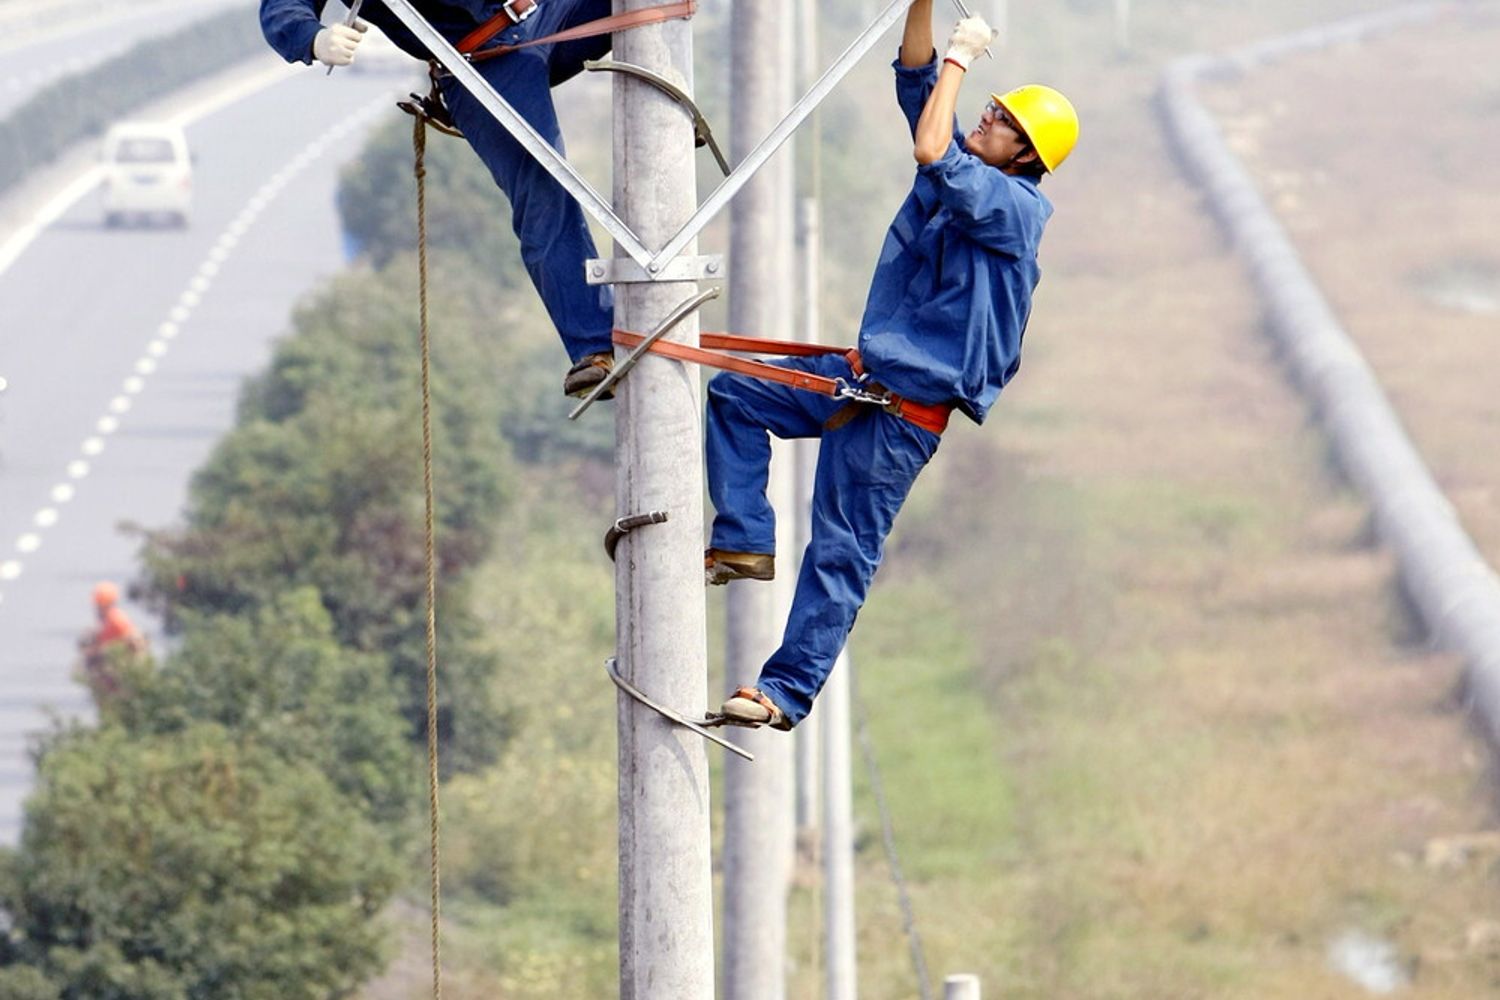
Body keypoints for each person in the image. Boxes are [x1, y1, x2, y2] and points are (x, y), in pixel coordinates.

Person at [704, 2, 1078, 730]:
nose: (985, 117)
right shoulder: (968, 174)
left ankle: (783, 693)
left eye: (1002, 120)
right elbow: (917, 78)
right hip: (860, 380)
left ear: (1027, 156)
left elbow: (931, 146)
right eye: (991, 109)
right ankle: (744, 537)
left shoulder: (1013, 209)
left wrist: (964, 60)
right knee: (736, 392)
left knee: (840, 555)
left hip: (900, 420)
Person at [259, 0, 617, 397]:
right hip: (479, 61)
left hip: (551, 10)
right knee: (543, 195)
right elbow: (283, 6)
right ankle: (596, 347)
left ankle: (666, 119)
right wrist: (312, 39)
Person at [79, 581, 148, 700]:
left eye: (99, 605)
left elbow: (133, 640)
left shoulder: (116, 619)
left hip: (121, 667)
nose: (97, 608)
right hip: (113, 665)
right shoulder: (108, 620)